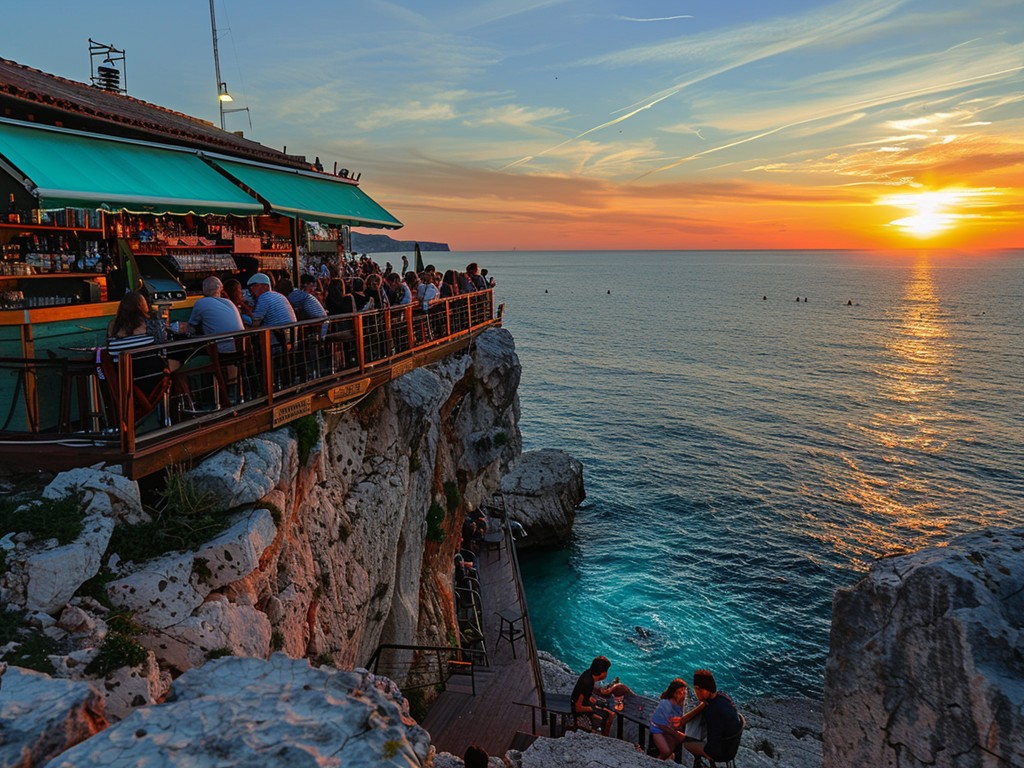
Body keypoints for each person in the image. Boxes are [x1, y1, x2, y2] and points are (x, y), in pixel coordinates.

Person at [106, 291, 174, 380]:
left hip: (123, 379)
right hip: (151, 376)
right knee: (177, 363)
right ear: (142, 306)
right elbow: (162, 343)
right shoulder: (151, 323)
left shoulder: (113, 326)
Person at [683, 669, 743, 765]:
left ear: (706, 689)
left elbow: (712, 746)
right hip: (732, 745)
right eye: (696, 689)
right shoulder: (722, 696)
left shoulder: (713, 711)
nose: (697, 693)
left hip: (723, 753)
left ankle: (700, 762)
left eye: (698, 689)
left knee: (687, 743)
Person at [570, 656, 633, 736]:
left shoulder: (589, 674)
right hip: (579, 708)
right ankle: (603, 736)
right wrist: (593, 708)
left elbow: (587, 695)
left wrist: (599, 703)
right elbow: (577, 707)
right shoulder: (587, 682)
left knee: (606, 707)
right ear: (602, 672)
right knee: (610, 715)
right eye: (606, 671)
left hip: (585, 703)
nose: (607, 673)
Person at [649, 678, 706, 760]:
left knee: (673, 747)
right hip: (658, 728)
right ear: (673, 693)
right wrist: (674, 733)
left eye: (684, 692)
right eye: (679, 692)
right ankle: (657, 761)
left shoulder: (680, 703)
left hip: (669, 727)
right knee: (666, 751)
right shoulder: (666, 704)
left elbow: (680, 717)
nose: (683, 694)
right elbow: (660, 725)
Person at [187, 276, 244, 352]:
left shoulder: (200, 303)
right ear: (220, 289)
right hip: (241, 349)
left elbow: (191, 327)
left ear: (204, 290)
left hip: (219, 352)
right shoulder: (229, 302)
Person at [247, 272, 296, 353]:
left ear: (266, 286)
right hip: (290, 339)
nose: (251, 289)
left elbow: (255, 323)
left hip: (276, 343)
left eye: (255, 286)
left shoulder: (264, 297)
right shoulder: (279, 295)